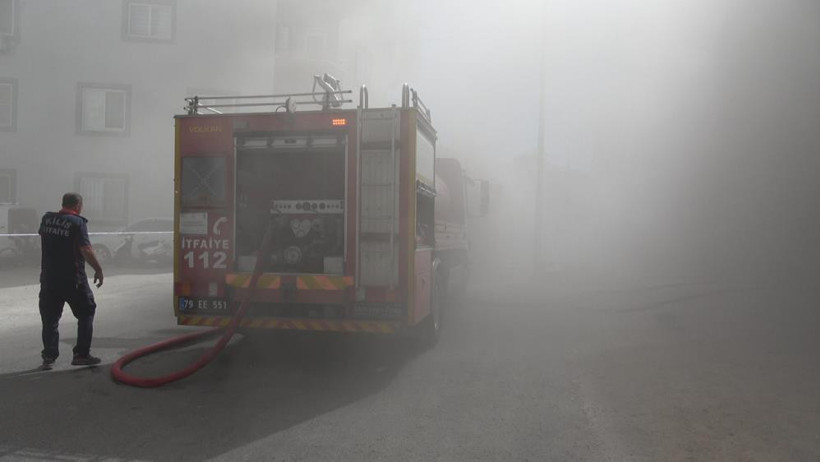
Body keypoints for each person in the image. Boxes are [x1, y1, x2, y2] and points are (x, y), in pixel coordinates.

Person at [38, 192, 104, 370]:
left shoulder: (46, 219)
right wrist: (98, 269)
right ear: (77, 206)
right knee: (86, 312)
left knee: (50, 318)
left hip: (49, 279)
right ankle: (81, 355)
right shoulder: (78, 223)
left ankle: (49, 356)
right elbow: (86, 249)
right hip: (73, 279)